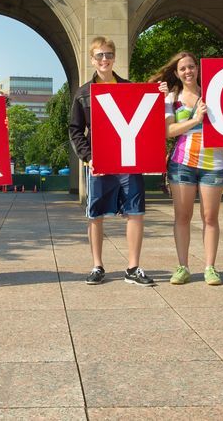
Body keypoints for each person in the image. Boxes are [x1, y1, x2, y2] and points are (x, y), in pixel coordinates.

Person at [68, 36, 155, 286]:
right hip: (99, 162)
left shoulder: (130, 88)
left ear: (114, 57)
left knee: (135, 212)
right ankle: (97, 266)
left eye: (108, 55)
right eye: (99, 55)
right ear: (92, 60)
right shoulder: (84, 93)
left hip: (128, 160)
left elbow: (147, 120)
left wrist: (157, 94)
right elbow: (75, 129)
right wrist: (89, 156)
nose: (104, 59)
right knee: (95, 214)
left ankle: (133, 267)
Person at [152, 52, 223, 285]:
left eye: (191, 67)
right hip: (182, 163)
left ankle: (210, 268)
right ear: (176, 73)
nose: (188, 71)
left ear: (198, 69)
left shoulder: (214, 94)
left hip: (213, 163)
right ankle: (182, 266)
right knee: (182, 217)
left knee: (210, 217)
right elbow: (168, 131)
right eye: (183, 68)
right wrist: (196, 120)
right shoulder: (171, 98)